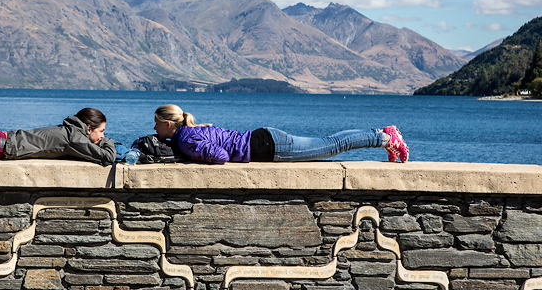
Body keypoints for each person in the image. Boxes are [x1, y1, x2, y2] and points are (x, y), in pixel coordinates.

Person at [152, 104, 408, 164]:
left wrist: (188, 158)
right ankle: (382, 137)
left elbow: (220, 156)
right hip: (264, 139)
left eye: (156, 123)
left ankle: (384, 137)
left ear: (167, 124)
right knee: (329, 143)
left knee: (331, 146)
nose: (154, 129)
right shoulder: (188, 131)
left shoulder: (185, 138)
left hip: (269, 147)